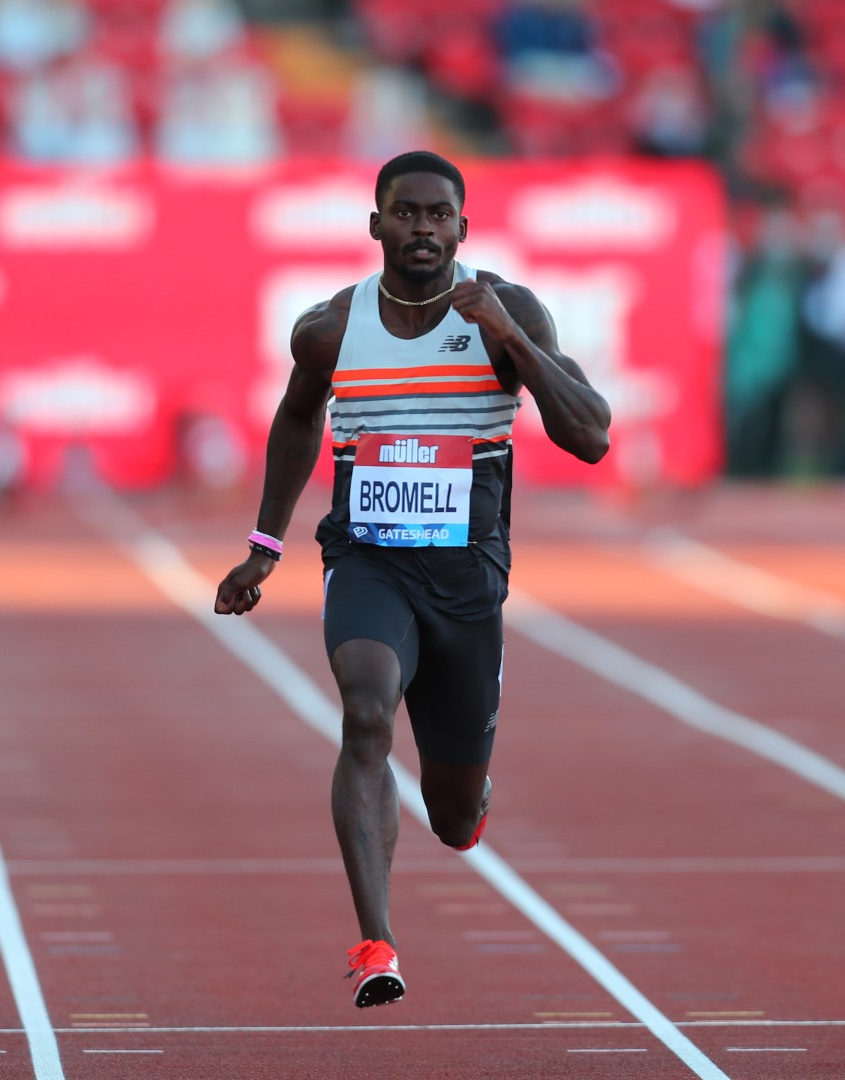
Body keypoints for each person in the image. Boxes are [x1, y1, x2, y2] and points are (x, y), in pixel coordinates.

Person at [213, 150, 610, 1008]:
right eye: (406, 213)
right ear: (376, 224)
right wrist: (264, 546)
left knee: (453, 815)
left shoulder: (511, 310)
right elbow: (295, 415)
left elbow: (591, 435)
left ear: (463, 229)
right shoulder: (330, 327)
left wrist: (507, 338)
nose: (422, 229)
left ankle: (469, 799)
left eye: (439, 216)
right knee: (364, 710)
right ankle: (376, 943)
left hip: (467, 580)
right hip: (369, 560)